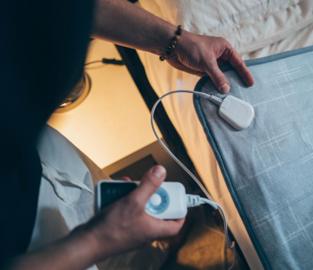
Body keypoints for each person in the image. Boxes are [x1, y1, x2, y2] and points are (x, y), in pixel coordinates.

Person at [0, 0, 253, 269]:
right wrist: (98, 240)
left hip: (44, 160)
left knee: (106, 204)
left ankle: (154, 253)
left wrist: (175, 41)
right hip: (36, 251)